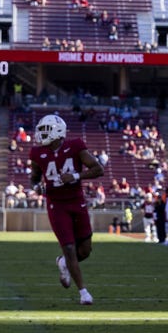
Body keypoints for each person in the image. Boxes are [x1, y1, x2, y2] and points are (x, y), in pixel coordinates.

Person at [29, 114, 104, 305]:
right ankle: (83, 293)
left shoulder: (76, 146)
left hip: (76, 201)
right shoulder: (37, 154)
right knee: (69, 248)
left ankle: (62, 262)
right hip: (56, 204)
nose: (41, 135)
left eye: (45, 130)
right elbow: (35, 178)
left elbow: (98, 169)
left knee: (85, 250)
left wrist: (76, 176)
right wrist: (37, 187)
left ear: (58, 131)